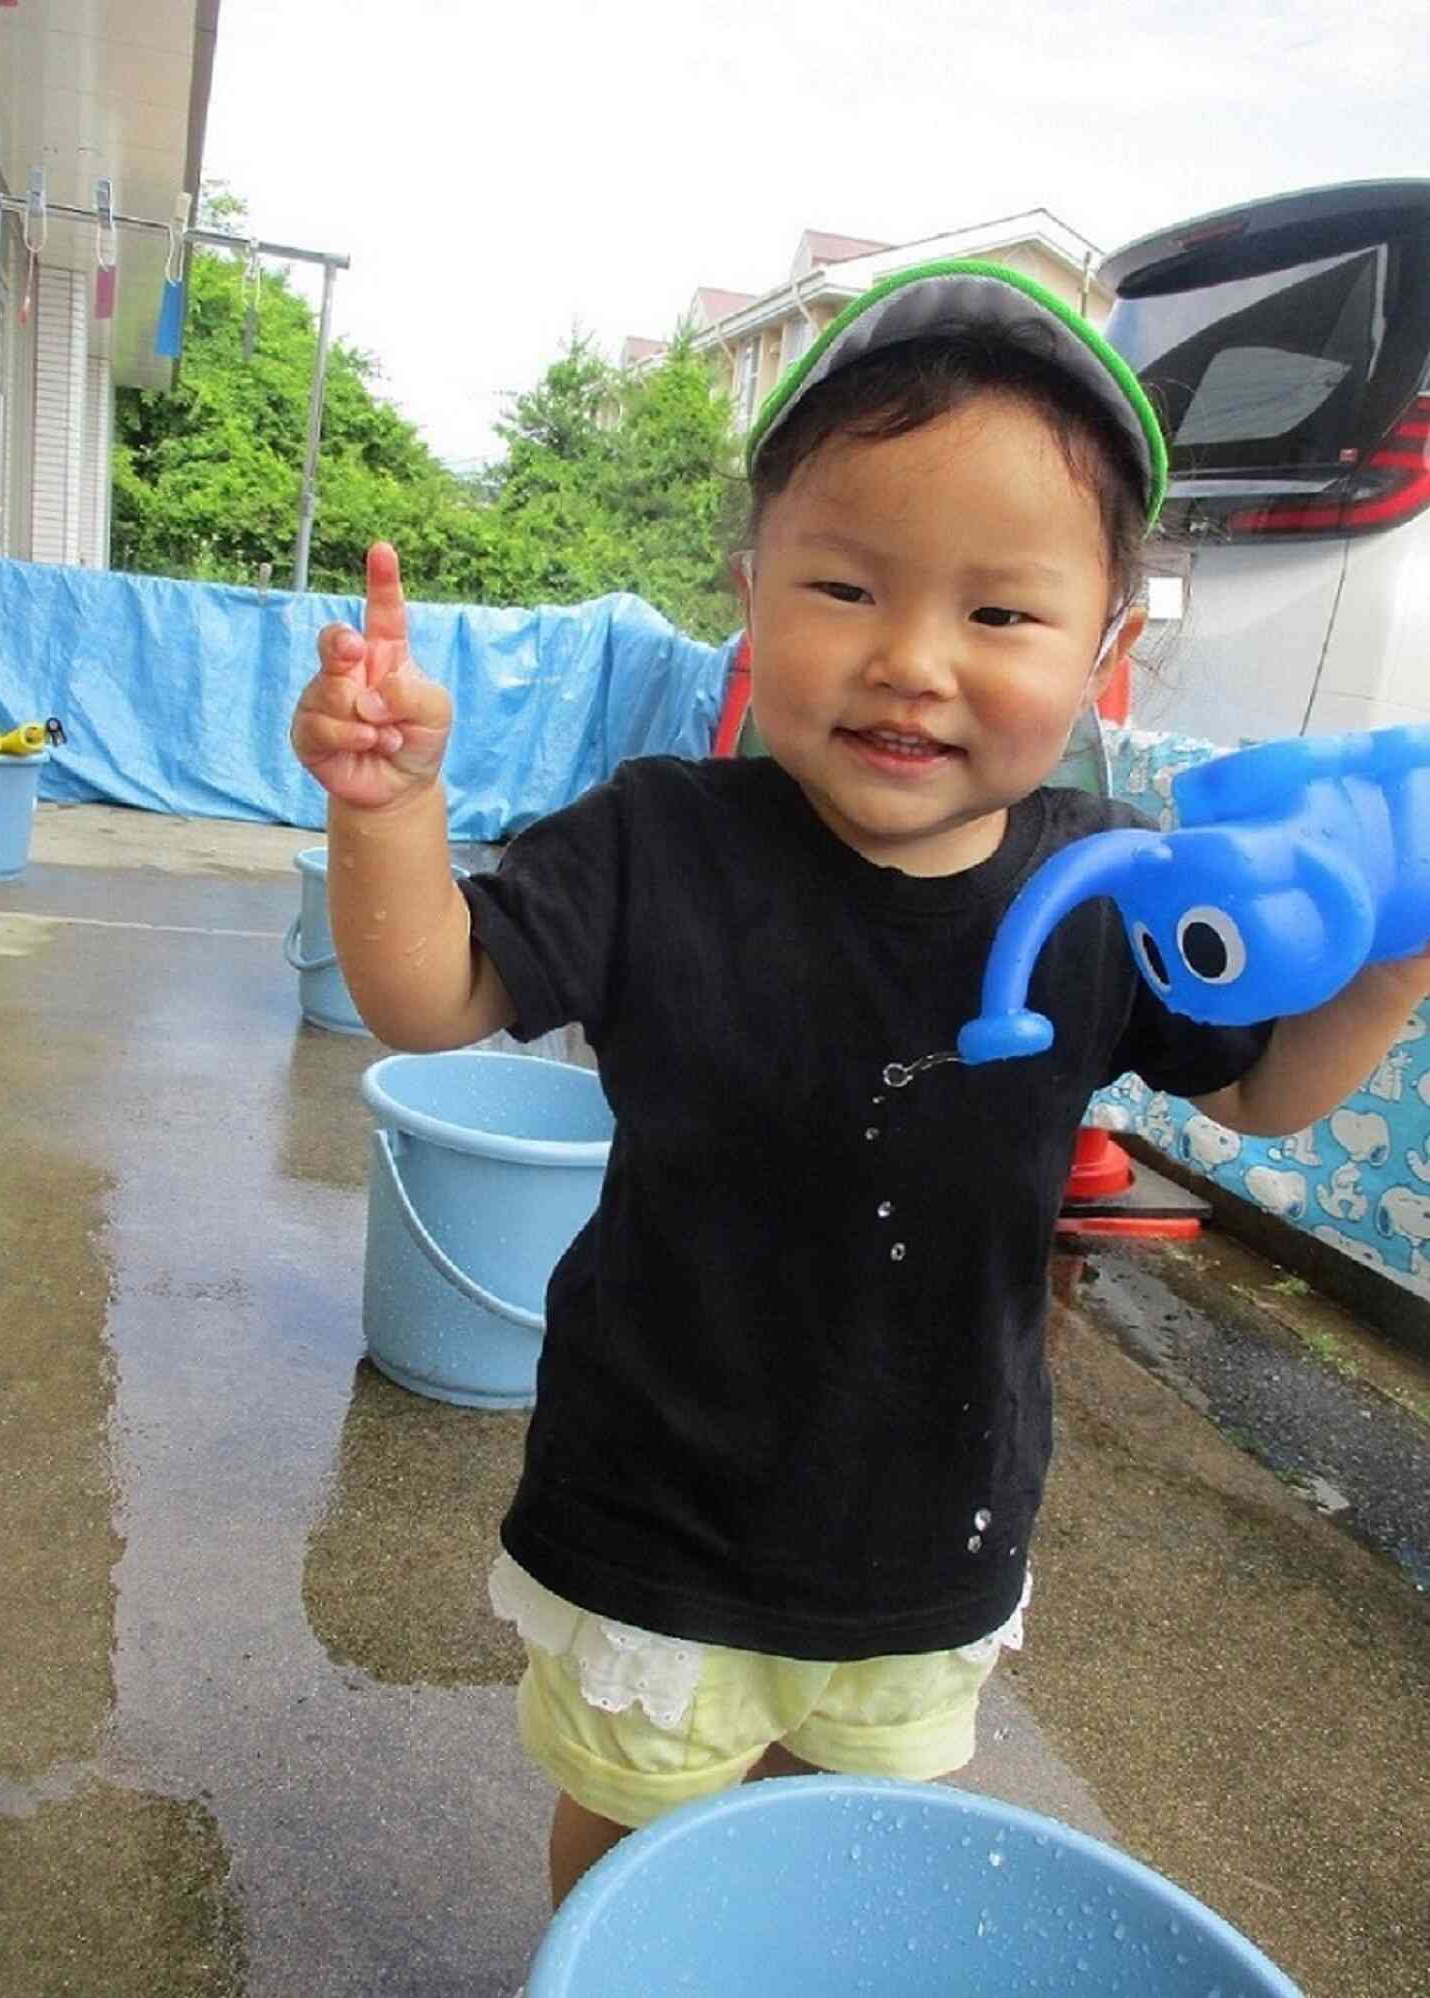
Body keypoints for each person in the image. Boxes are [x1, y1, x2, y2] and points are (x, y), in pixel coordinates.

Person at [290, 261, 1429, 1914]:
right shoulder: (658, 836)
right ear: (752, 593)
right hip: (657, 1502)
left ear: (1106, 649)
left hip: (928, 1527)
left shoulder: (1108, 883)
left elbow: (1259, 1096)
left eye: (999, 613)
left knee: (843, 1870)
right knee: (634, 1837)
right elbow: (427, 989)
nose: (911, 659)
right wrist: (386, 810)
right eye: (844, 586)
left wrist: (1396, 963)